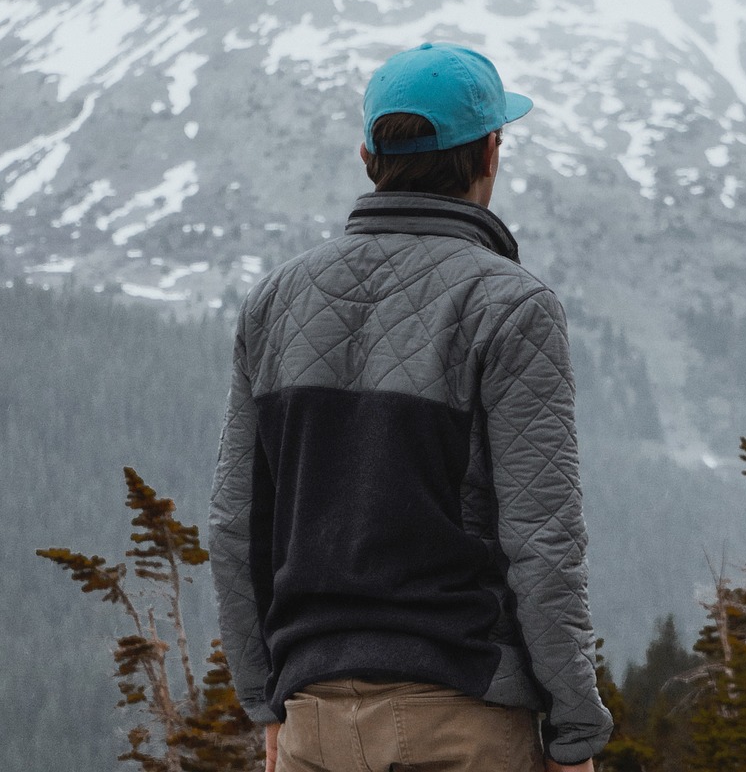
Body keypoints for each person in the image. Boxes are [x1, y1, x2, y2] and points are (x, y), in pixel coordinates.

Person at [209, 41, 612, 772]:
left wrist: (267, 703)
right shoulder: (510, 306)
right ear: (490, 153)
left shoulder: (273, 301)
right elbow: (543, 543)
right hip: (464, 721)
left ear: (368, 154)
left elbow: (237, 528)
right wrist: (576, 730)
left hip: (312, 726)